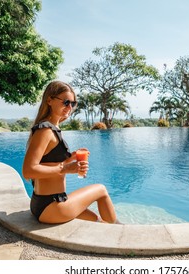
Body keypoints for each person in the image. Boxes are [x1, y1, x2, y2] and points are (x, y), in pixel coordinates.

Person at [22, 81, 118, 224]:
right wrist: (65, 168)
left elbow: (48, 163)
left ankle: (115, 228)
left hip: (46, 203)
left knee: (97, 220)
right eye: (66, 102)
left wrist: (70, 159)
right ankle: (121, 233)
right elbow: (28, 171)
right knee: (101, 190)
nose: (69, 107)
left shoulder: (52, 129)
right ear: (49, 100)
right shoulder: (45, 130)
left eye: (73, 104)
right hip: (52, 206)